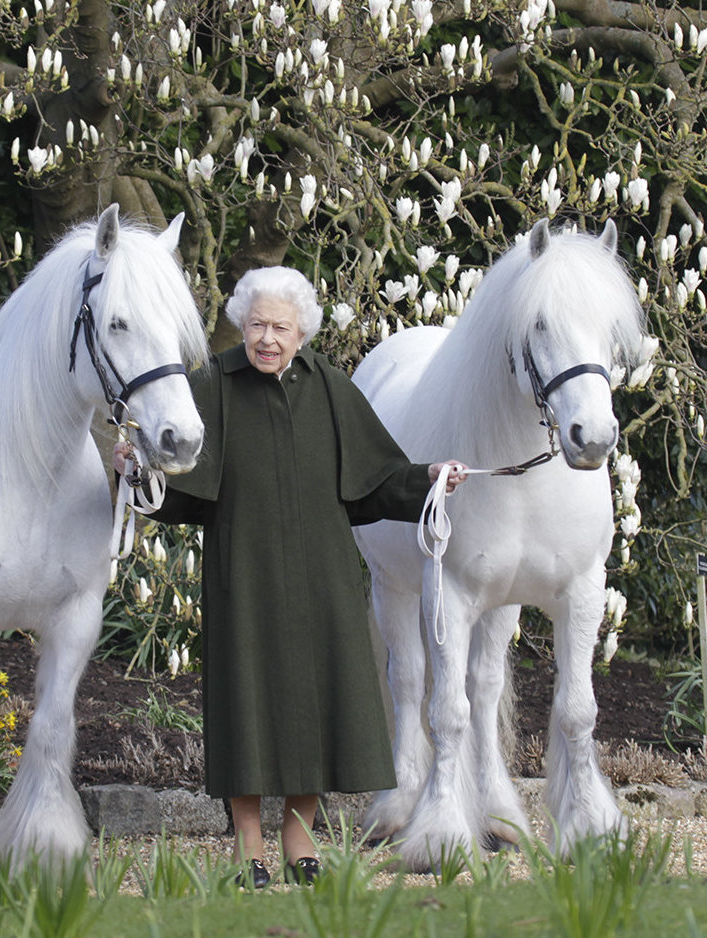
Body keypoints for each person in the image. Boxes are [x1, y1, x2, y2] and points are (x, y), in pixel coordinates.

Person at [115, 266, 467, 887]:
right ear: (240, 327)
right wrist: (135, 469)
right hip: (241, 576)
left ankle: (299, 833)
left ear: (302, 331)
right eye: (256, 325)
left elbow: (377, 481)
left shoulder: (330, 388)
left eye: (280, 326)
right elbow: (179, 490)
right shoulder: (213, 387)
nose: (267, 339)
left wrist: (432, 476)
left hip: (322, 578)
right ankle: (248, 840)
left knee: (317, 704)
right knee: (245, 704)